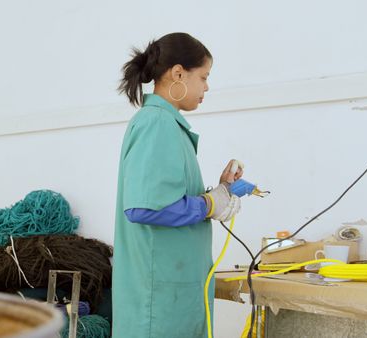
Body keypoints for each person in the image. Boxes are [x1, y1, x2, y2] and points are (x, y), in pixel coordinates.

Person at [112, 32, 242, 338]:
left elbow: (163, 197)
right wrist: (210, 204)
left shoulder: (166, 125)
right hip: (158, 309)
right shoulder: (156, 123)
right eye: (204, 77)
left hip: (167, 301)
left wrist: (219, 192)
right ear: (178, 73)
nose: (207, 87)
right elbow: (144, 207)